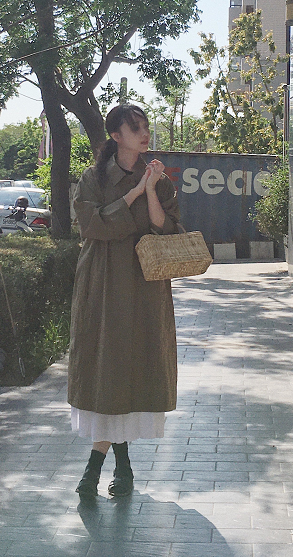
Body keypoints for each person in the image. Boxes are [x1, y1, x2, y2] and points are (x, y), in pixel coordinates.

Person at [68, 103, 180, 499]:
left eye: (145, 126)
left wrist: (149, 189)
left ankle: (104, 469)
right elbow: (93, 225)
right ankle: (115, 469)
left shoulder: (159, 180)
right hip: (102, 282)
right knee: (106, 370)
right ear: (116, 136)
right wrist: (133, 192)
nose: (144, 133)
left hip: (144, 285)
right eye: (135, 128)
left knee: (129, 370)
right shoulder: (92, 178)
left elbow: (165, 229)